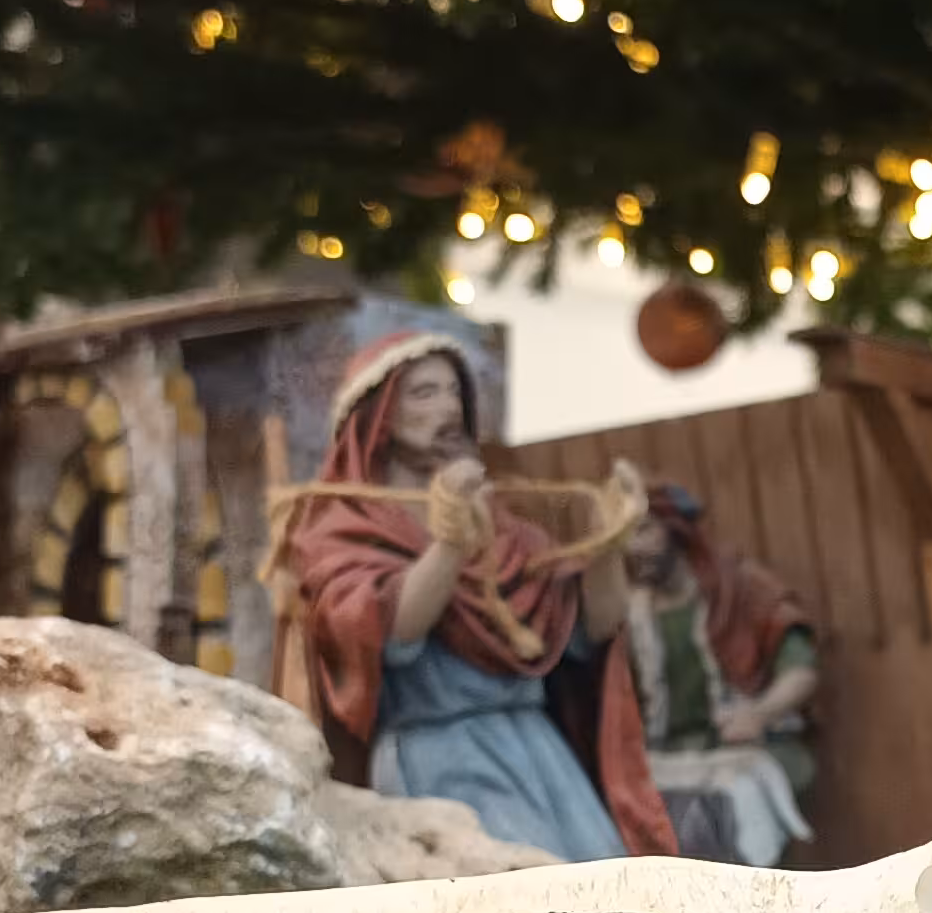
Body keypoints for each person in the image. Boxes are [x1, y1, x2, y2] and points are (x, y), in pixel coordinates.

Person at [278, 336, 671, 864]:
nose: (448, 408)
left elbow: (588, 635)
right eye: (423, 393)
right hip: (441, 757)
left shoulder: (508, 530)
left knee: (605, 883)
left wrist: (608, 544)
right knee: (523, 905)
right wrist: (450, 545)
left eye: (452, 392)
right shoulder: (343, 526)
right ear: (376, 416)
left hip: (539, 753)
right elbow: (388, 634)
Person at [621, 480, 820, 865]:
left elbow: (801, 669)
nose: (633, 547)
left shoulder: (739, 587)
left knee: (717, 816)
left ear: (675, 529)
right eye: (625, 536)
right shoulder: (627, 616)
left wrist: (759, 714)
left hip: (749, 750)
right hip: (666, 759)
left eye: (644, 530)